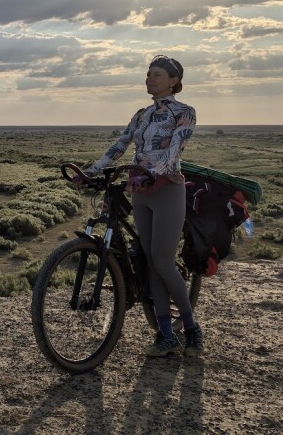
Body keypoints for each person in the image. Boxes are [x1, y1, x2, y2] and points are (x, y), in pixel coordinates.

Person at [79, 55, 201, 358]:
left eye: (156, 74)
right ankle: (165, 334)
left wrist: (152, 174)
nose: (149, 78)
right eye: (148, 74)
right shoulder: (141, 114)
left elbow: (174, 152)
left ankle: (192, 328)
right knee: (149, 261)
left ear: (173, 80)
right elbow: (120, 145)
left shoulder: (184, 112)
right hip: (140, 191)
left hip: (167, 190)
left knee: (162, 260)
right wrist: (92, 171)